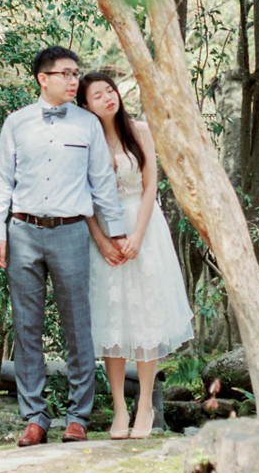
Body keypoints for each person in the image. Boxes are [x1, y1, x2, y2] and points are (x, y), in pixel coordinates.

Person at [0, 46, 127, 446]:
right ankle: (34, 418)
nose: (73, 81)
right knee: (26, 326)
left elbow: (102, 182)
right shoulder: (16, 124)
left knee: (77, 326)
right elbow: (0, 179)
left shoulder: (88, 125)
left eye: (76, 74)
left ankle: (77, 417)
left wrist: (115, 232)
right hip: (22, 232)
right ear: (42, 79)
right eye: (65, 73)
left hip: (70, 232)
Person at [82, 71, 193, 440]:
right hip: (104, 234)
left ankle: (145, 404)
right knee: (112, 319)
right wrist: (102, 240)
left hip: (144, 228)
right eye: (97, 95)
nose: (107, 97)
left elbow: (150, 187)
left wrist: (138, 236)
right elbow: (84, 200)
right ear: (85, 105)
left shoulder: (140, 130)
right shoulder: (86, 140)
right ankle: (118, 408)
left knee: (146, 315)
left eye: (110, 90)